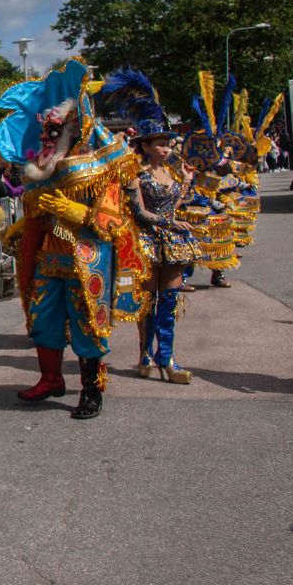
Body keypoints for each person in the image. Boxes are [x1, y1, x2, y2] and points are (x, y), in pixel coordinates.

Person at [0, 61, 151, 419]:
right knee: (43, 320)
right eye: (46, 130)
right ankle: (50, 378)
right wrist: (21, 228)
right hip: (48, 259)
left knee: (88, 325)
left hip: (86, 258)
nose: (47, 137)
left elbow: (112, 220)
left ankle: (91, 390)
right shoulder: (44, 166)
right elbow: (37, 210)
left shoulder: (100, 166)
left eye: (55, 129)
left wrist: (73, 210)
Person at [101, 69, 203, 385]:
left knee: (169, 303)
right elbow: (141, 213)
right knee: (147, 303)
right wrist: (171, 222)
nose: (166, 149)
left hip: (171, 243)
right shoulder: (135, 174)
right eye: (160, 144)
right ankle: (145, 353)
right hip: (146, 242)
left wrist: (186, 183)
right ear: (145, 145)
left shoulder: (171, 173)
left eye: (168, 144)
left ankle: (166, 357)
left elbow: (172, 206)